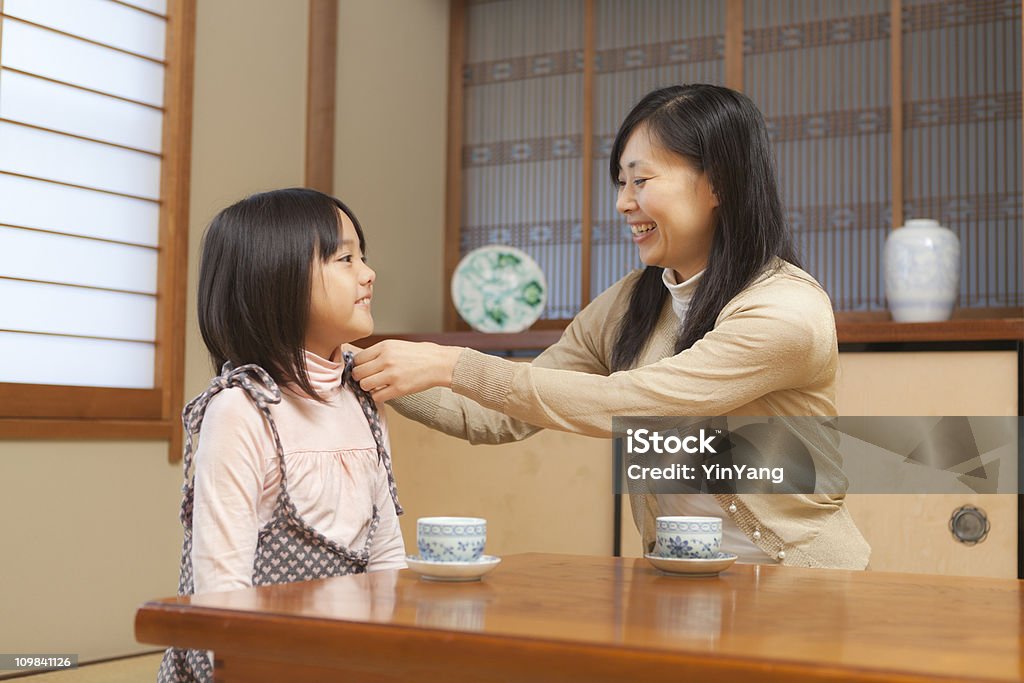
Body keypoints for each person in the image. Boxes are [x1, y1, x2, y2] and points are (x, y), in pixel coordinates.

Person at [352, 84, 870, 570]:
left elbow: (639, 405)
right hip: (685, 581)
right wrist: (362, 365)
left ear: (718, 184)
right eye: (621, 183)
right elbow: (494, 417)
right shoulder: (633, 299)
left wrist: (451, 362)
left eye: (641, 181)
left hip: (801, 582)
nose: (624, 203)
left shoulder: (786, 311)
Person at [159, 188, 404, 682]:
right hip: (251, 664)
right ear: (279, 281)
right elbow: (220, 589)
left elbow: (387, 558)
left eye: (363, 256)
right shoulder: (241, 409)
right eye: (345, 258)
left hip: (342, 663)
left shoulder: (360, 398)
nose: (368, 272)